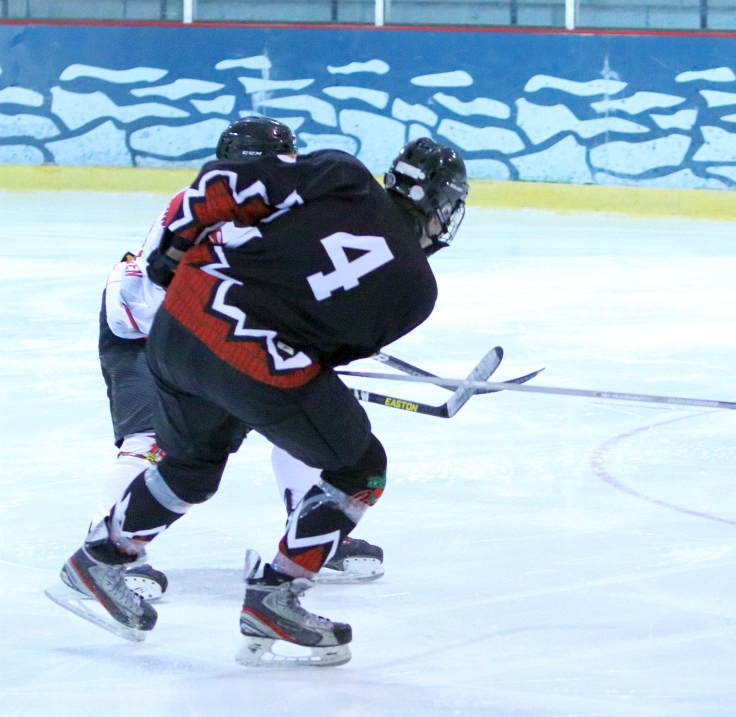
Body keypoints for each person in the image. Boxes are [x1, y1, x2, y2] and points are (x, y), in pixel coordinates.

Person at [47, 132, 468, 668]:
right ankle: (277, 595)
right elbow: (324, 356)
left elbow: (224, 182)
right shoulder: (417, 291)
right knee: (361, 468)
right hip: (252, 364)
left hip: (178, 328)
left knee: (191, 467)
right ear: (438, 204)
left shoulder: (342, 175)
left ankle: (100, 558)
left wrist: (173, 246)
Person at [92, 118, 384, 605]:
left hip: (216, 333)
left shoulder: (278, 212)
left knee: (301, 419)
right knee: (153, 441)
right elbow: (161, 295)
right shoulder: (202, 209)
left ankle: (311, 531)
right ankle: (104, 553)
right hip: (144, 333)